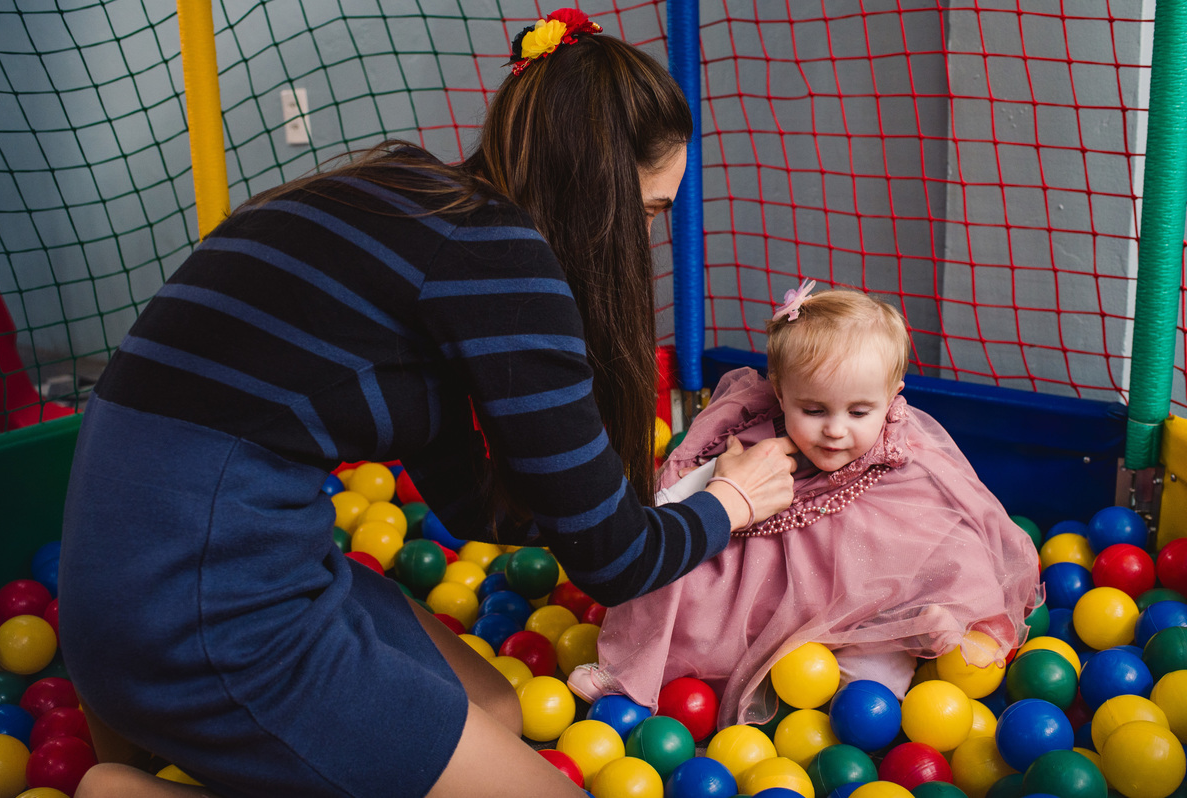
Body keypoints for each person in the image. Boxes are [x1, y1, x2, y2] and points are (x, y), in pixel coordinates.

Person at [62, 10, 799, 798]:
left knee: (496, 709)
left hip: (117, 590)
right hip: (204, 613)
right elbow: (616, 566)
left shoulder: (412, 201)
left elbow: (477, 508)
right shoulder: (501, 261)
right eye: (650, 211)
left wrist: (618, 504)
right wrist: (730, 501)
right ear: (601, 192)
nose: (647, 239)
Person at [568, 282, 1043, 728]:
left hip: (870, 577)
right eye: (813, 410)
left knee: (889, 648)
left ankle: (900, 640)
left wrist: (944, 600)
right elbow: (685, 494)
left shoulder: (901, 450)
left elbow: (949, 517)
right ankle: (637, 666)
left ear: (892, 395)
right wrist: (665, 504)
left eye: (859, 412)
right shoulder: (754, 434)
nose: (835, 429)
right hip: (776, 584)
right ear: (779, 393)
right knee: (683, 582)